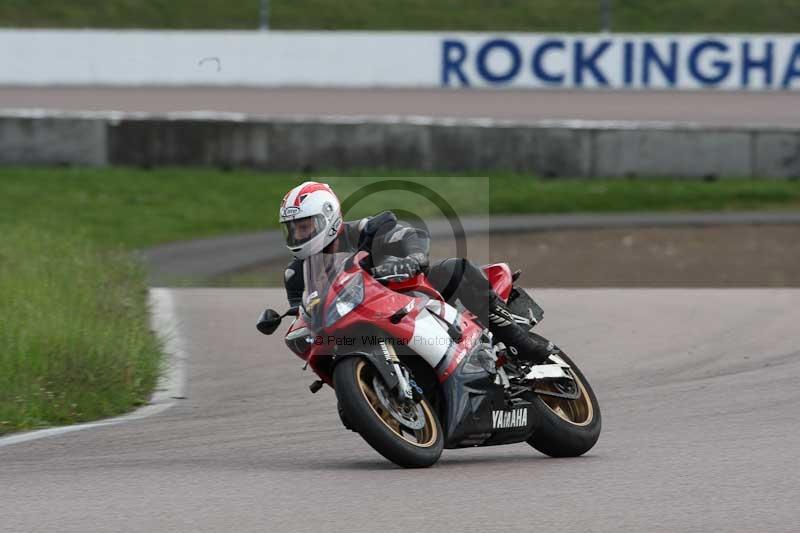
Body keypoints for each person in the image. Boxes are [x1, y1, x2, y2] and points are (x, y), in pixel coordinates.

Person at [279, 181, 554, 364]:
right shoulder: (296, 273)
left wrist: (413, 258)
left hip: (411, 293)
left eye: (304, 226)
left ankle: (519, 341)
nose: (298, 234)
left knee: (457, 269)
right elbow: (301, 310)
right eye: (293, 229)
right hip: (361, 320)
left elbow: (412, 235)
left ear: (328, 216)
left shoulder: (364, 230)